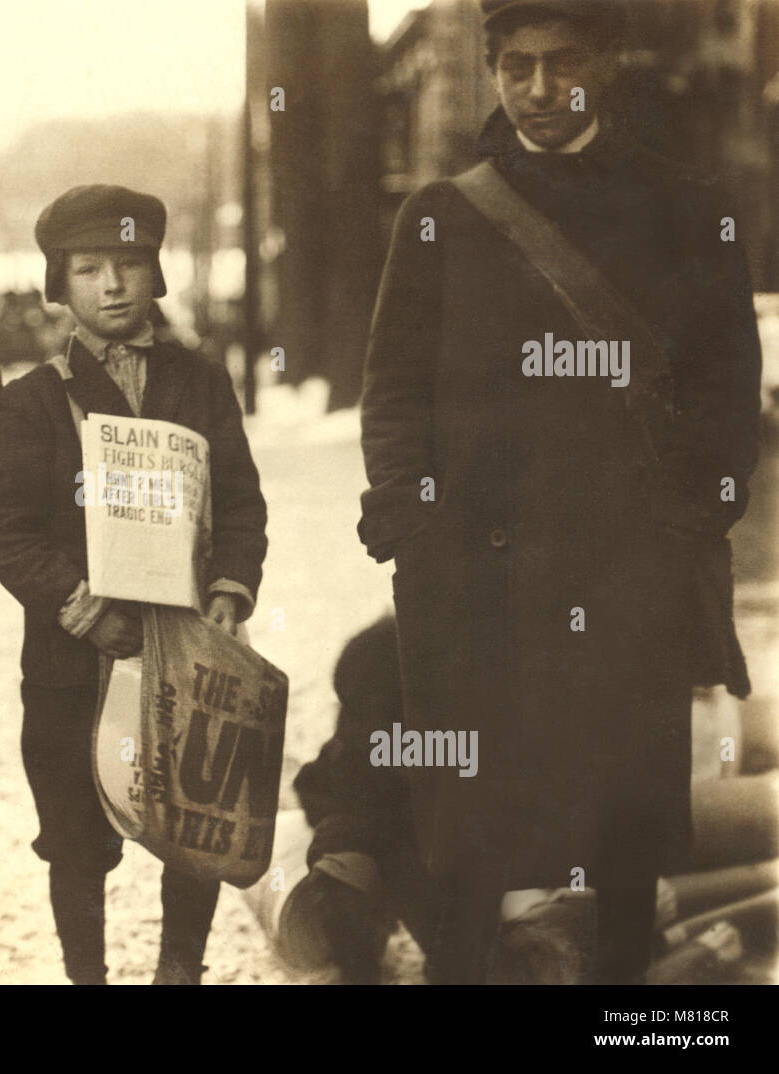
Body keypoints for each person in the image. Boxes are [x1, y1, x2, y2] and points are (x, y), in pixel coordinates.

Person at [358, 0, 761, 983]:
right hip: (475, 581)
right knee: (474, 840)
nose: (538, 90)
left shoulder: (682, 206)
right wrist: (411, 519)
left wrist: (688, 521)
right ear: (492, 66)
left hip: (624, 575)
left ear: (607, 62)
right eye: (515, 66)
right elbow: (393, 388)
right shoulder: (441, 216)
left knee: (619, 842)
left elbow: (726, 396)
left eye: (563, 63)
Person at [0, 185, 268, 983]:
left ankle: (180, 972)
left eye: (130, 264)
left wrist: (230, 590)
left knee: (198, 825)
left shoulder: (201, 384)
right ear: (59, 285)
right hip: (75, 657)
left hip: (189, 652)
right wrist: (79, 606)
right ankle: (87, 976)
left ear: (156, 274)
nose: (112, 285)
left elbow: (240, 502)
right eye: (88, 268)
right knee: (74, 836)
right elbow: (7, 528)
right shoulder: (33, 402)